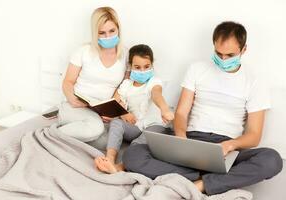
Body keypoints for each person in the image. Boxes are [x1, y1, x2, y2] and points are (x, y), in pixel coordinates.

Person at [121, 21, 283, 195]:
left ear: (244, 50)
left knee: (272, 160)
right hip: (192, 139)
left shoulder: (255, 81)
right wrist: (182, 138)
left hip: (226, 148)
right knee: (133, 155)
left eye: (230, 55)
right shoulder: (197, 69)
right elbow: (181, 113)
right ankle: (206, 178)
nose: (223, 60)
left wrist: (229, 145)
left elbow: (254, 135)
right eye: (218, 53)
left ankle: (198, 184)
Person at [94, 44, 174, 174]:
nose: (142, 71)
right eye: (137, 67)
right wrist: (123, 114)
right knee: (116, 123)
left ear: (152, 65)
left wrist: (164, 109)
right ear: (131, 66)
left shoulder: (154, 81)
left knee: (140, 141)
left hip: (154, 125)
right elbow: (114, 102)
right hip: (135, 126)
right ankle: (110, 158)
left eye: (146, 67)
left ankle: (120, 167)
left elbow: (156, 94)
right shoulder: (127, 85)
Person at [58, 7, 129, 143]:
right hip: (77, 107)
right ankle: (52, 134)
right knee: (95, 129)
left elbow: (123, 87)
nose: (108, 36)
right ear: (95, 33)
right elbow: (68, 81)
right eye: (102, 33)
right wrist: (72, 98)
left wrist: (112, 112)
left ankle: (74, 133)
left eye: (112, 31)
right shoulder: (83, 51)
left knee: (107, 141)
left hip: (101, 112)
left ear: (118, 29)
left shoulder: (126, 55)